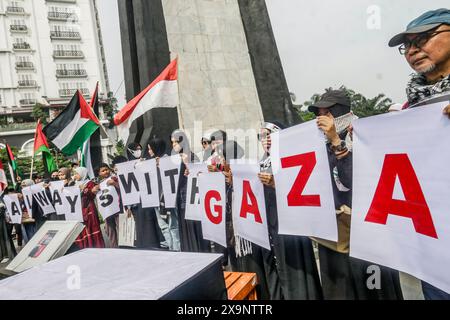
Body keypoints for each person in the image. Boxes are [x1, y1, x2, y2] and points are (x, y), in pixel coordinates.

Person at [309, 89, 403, 300]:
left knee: (373, 287)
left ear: (341, 113)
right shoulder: (317, 144)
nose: (321, 119)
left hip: (367, 230)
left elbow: (358, 181)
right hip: (335, 233)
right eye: (319, 114)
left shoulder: (362, 134)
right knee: (341, 289)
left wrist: (336, 141)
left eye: (327, 113)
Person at [388, 8, 450, 299]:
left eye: (423, 38)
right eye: (407, 45)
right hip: (433, 250)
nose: (413, 50)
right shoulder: (405, 111)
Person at [257, 121, 323, 300]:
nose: (265, 140)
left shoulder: (289, 155)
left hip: (290, 223)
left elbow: (302, 186)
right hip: (270, 223)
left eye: (268, 135)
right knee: (276, 269)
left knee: (296, 271)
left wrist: (277, 184)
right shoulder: (262, 161)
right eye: (261, 136)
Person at [171, 129, 210, 253]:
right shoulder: (175, 158)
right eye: (172, 142)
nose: (174, 145)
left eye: (176, 142)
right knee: (186, 231)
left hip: (192, 200)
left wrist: (188, 164)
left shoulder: (191, 156)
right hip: (181, 200)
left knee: (196, 232)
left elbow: (199, 174)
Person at [126, 143, 161, 249]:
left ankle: (154, 244)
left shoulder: (146, 161)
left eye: (140, 149)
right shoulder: (127, 166)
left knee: (150, 222)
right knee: (140, 225)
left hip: (147, 198)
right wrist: (128, 206)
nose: (139, 151)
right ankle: (143, 246)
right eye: (136, 149)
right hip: (135, 202)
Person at [72, 167, 105, 249]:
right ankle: (86, 248)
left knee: (92, 227)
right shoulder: (74, 184)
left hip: (89, 209)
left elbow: (92, 196)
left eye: (77, 173)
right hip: (79, 211)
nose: (75, 175)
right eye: (74, 174)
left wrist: (85, 189)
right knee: (83, 230)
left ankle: (97, 247)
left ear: (82, 174)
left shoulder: (90, 183)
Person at [95, 163, 120, 248]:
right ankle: (114, 248)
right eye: (103, 171)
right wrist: (95, 189)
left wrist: (115, 184)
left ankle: (126, 247)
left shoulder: (115, 178)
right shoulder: (99, 184)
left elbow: (123, 188)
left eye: (106, 169)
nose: (106, 172)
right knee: (110, 231)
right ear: (99, 173)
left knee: (121, 228)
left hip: (118, 208)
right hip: (107, 211)